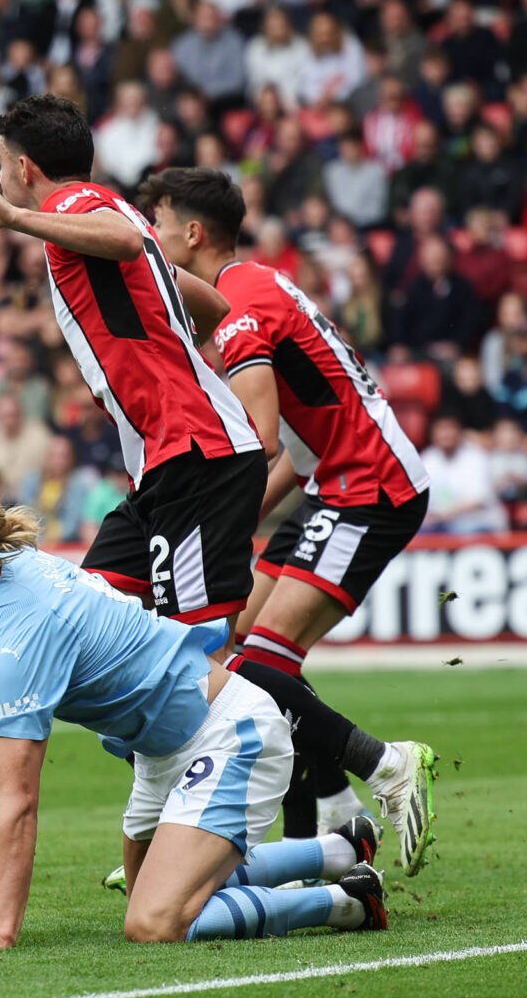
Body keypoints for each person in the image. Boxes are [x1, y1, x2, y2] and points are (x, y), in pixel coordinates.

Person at [0, 489, 387, 949]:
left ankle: (345, 902)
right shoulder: (0, 577)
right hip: (164, 748)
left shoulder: (18, 636)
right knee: (151, 888)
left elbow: (19, 801)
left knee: (154, 921)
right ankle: (339, 849)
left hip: (226, 734)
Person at [142, 168, 439, 874]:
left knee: (258, 665)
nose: (150, 242)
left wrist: (210, 519)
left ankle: (386, 765)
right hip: (334, 481)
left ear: (192, 233)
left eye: (157, 225)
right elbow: (295, 443)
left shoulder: (241, 310)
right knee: (249, 651)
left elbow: (262, 438)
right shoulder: (256, 287)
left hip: (370, 486)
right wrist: (240, 523)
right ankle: (329, 827)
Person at [0, 95, 265, 629]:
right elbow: (211, 303)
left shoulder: (75, 207)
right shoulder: (107, 211)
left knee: (197, 655)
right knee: (81, 624)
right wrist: (167, 356)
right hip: (164, 461)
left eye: (0, 162)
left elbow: (125, 242)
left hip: (195, 453)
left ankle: (289, 719)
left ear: (24, 167)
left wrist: (16, 219)